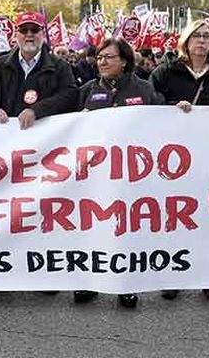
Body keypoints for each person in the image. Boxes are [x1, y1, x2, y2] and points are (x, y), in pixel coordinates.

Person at [74, 38, 163, 309]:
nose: (102, 61)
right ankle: (89, 282)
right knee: (93, 229)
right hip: (97, 175)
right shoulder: (88, 90)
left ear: (124, 60)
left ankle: (126, 285)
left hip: (131, 175)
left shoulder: (145, 89)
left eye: (109, 57)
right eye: (99, 57)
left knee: (127, 230)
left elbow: (164, 123)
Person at [150, 19, 209, 303]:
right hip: (172, 159)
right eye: (196, 36)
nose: (201, 41)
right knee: (175, 216)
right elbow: (149, 105)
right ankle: (173, 274)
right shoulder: (165, 72)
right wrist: (169, 109)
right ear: (185, 41)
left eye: (207, 36)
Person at [0, 12, 78, 130]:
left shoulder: (60, 66)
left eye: (34, 30)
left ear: (43, 33)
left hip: (44, 137)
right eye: (23, 30)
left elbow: (69, 95)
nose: (29, 35)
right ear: (16, 34)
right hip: (5, 135)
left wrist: (37, 111)